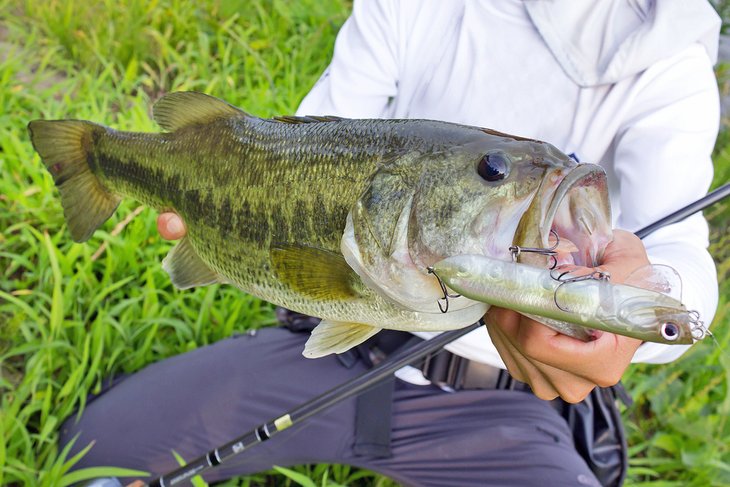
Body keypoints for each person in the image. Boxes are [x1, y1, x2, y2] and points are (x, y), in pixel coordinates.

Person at [61, 1, 721, 486]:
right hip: (331, 355)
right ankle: (90, 155)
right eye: (493, 171)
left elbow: (681, 258)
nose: (517, 181)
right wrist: (221, 186)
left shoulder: (672, 69)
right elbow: (305, 140)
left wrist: (647, 303)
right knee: (93, 450)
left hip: (499, 408)